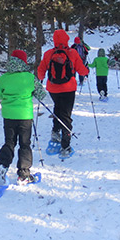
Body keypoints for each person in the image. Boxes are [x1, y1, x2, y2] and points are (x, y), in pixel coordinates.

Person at [0, 49, 47, 186]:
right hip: (25, 116)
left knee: (9, 142)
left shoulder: (4, 77)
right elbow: (42, 94)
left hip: (9, 116)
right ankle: (23, 174)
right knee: (24, 144)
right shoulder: (29, 77)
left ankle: (3, 165)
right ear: (24, 62)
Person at [37, 30, 89, 158]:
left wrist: (41, 78)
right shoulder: (72, 53)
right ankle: (65, 146)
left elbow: (41, 70)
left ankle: (55, 132)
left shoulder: (49, 53)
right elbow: (81, 70)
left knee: (58, 109)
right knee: (66, 115)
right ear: (66, 39)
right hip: (68, 88)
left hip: (53, 88)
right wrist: (86, 70)